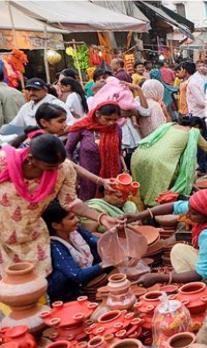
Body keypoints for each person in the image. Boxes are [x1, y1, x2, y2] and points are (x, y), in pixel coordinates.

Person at [0, 134, 118, 275]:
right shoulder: (3, 163)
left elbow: (70, 203)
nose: (56, 169)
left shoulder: (64, 169)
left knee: (39, 282)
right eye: (50, 166)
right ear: (31, 159)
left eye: (59, 164)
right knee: (8, 287)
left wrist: (101, 218)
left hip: (34, 237)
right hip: (2, 239)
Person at [131, 117, 207, 207]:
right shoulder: (193, 132)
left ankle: (147, 215)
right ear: (197, 126)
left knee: (144, 189)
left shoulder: (168, 125)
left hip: (140, 155)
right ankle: (157, 214)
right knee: (159, 192)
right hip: (160, 161)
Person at [43, 200, 110, 301]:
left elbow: (95, 241)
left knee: (99, 250)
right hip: (70, 292)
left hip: (85, 279)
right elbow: (76, 275)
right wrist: (105, 264)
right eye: (71, 218)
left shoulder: (75, 230)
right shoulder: (54, 246)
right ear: (55, 225)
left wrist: (114, 241)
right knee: (60, 277)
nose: (77, 220)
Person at [65, 102, 123, 201]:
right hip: (88, 175)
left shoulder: (116, 129)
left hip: (111, 175)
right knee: (88, 201)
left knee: (110, 201)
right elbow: (67, 150)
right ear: (97, 114)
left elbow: (118, 151)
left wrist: (124, 169)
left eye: (115, 120)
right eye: (107, 119)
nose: (111, 123)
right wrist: (73, 172)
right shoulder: (83, 127)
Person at [7, 78, 74, 130]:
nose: (31, 93)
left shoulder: (56, 104)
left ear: (45, 90)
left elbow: (70, 123)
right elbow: (14, 125)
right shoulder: (26, 107)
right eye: (29, 90)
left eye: (35, 89)